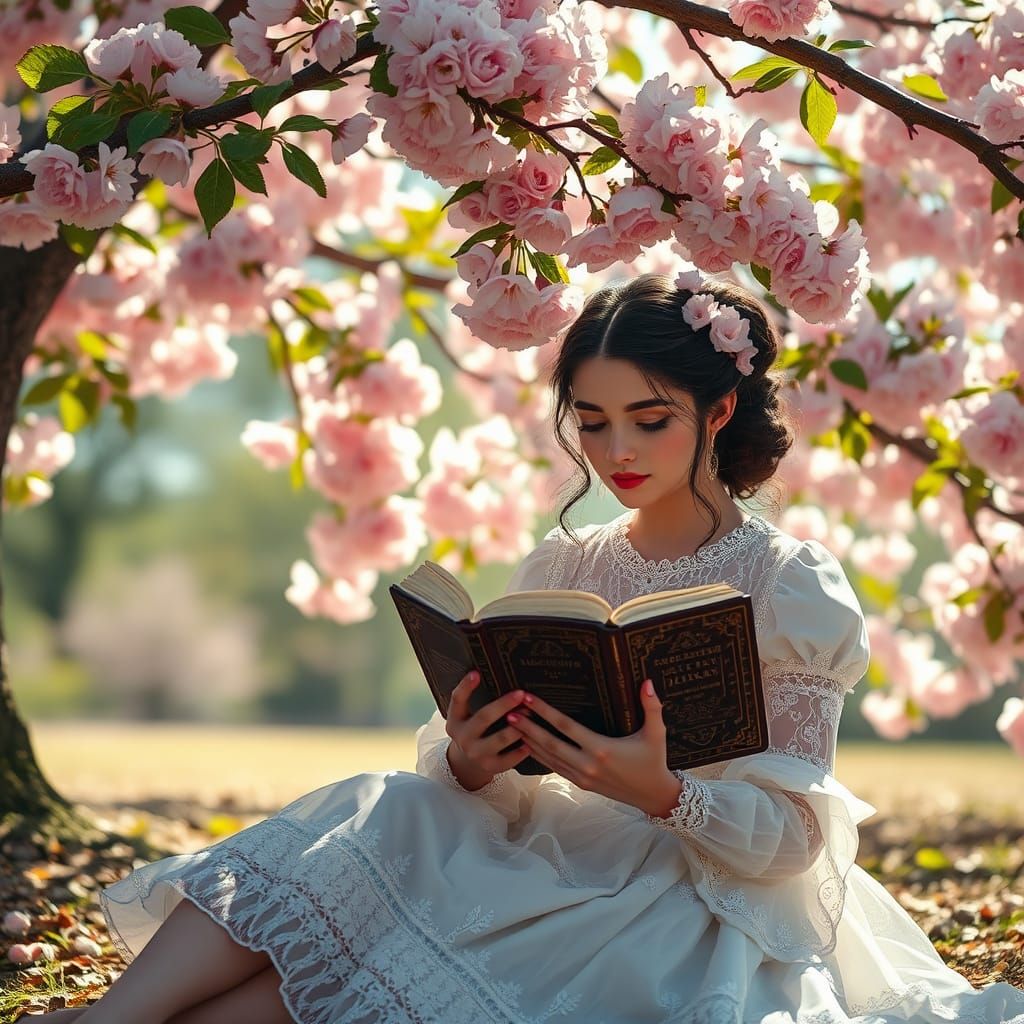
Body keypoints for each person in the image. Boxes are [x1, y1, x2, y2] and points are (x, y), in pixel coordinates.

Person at [44, 271, 1024, 1024]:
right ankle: (112, 1015)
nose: (616, 453)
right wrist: (471, 757)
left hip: (693, 890)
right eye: (590, 423)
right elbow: (489, 756)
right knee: (388, 803)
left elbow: (799, 839)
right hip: (547, 844)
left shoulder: (788, 581)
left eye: (649, 419)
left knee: (332, 983)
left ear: (717, 412)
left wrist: (663, 791)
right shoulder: (570, 559)